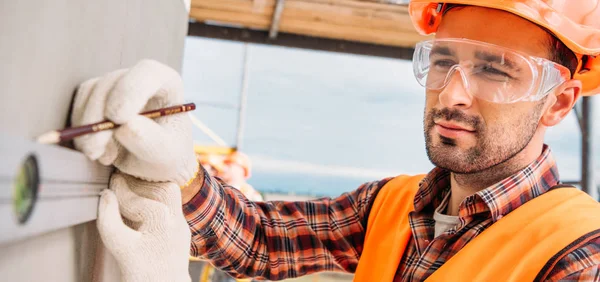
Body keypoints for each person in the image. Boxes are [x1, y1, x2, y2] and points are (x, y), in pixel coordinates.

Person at [70, 1, 600, 281]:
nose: (454, 95)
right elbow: (262, 240)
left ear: (557, 101)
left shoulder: (580, 257)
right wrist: (179, 171)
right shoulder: (395, 206)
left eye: (496, 71)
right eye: (443, 61)